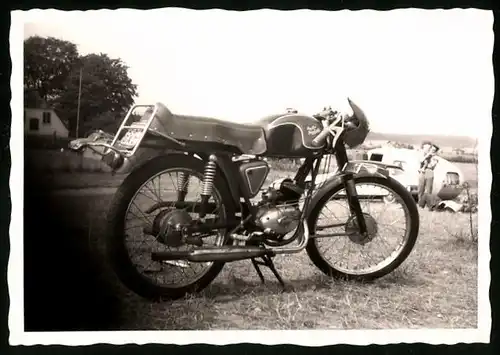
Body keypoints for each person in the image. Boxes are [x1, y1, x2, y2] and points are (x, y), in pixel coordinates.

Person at [418, 143, 440, 209]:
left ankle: (429, 205)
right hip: (422, 172)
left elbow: (432, 166)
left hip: (429, 171)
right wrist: (427, 156)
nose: (432, 150)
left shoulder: (436, 157)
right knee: (420, 189)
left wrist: (430, 157)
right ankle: (420, 205)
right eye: (431, 149)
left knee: (428, 190)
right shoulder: (425, 155)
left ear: (435, 151)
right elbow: (420, 161)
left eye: (433, 150)